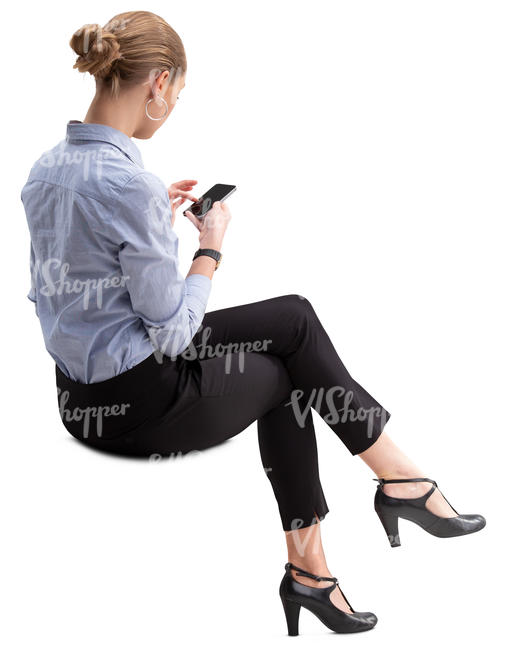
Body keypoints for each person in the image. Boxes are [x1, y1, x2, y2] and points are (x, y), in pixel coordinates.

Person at [21, 11, 485, 636]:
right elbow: (174, 335)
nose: (174, 106)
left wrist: (150, 223)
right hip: (139, 407)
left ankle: (372, 510)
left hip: (76, 401)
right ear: (158, 83)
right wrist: (209, 247)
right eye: (178, 95)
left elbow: (74, 284)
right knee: (289, 374)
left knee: (293, 317)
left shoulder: (46, 168)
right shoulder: (127, 184)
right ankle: (347, 533)